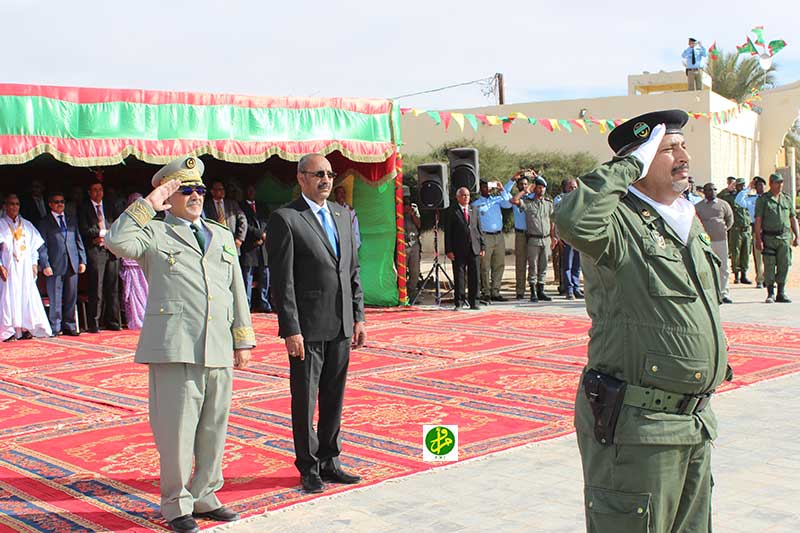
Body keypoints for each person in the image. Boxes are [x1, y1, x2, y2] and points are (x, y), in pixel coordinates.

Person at [555, 110, 728, 533]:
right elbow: (573, 220)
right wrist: (628, 165)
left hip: (693, 423)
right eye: (668, 149)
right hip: (641, 427)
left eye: (683, 145)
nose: (683, 156)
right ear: (640, 160)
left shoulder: (685, 219)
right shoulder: (617, 222)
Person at [105, 156, 254, 533]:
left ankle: (205, 495)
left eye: (199, 189)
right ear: (168, 196)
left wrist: (243, 339)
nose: (196, 195)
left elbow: (236, 289)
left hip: (217, 344)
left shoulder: (221, 234)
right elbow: (116, 241)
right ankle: (176, 504)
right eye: (185, 190)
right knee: (177, 433)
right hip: (176, 347)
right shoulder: (155, 232)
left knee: (214, 427)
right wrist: (148, 204)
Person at [267, 154, 366, 494]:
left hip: (341, 324)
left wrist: (358, 316)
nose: (326, 179)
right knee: (305, 400)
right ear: (301, 178)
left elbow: (352, 270)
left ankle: (330, 460)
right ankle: (308, 466)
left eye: (329, 174)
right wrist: (290, 328)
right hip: (307, 328)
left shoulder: (343, 215)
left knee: (334, 397)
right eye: (318, 174)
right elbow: (283, 281)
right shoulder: (286, 218)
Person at [0, 194, 52, 341]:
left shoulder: (27, 225)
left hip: (25, 268)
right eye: (11, 204)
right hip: (9, 267)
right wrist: (0, 266)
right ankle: (9, 331)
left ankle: (25, 327)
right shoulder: (1, 224)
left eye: (17, 204)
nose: (14, 207)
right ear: (5, 206)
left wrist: (34, 263)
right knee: (9, 297)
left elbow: (34, 248)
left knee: (26, 296)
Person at [36, 191, 87, 336]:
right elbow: (42, 245)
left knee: (71, 297)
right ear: (50, 204)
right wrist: (45, 264)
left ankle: (70, 326)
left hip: (72, 262)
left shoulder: (71, 219)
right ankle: (56, 327)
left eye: (62, 202)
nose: (60, 204)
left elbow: (78, 240)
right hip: (54, 264)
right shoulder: (45, 222)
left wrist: (82, 260)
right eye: (56, 202)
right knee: (56, 298)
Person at [78, 180, 121, 333]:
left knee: (113, 287)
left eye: (100, 189)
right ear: (89, 192)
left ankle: (113, 321)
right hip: (96, 251)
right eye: (95, 190)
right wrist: (103, 233)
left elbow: (118, 225)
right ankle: (94, 323)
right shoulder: (84, 208)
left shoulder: (109, 206)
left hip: (111, 250)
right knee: (96, 287)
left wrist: (107, 236)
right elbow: (85, 229)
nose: (98, 193)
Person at [511, 176, 557, 302]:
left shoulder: (548, 203)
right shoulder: (528, 203)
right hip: (533, 239)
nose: (541, 190)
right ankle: (533, 292)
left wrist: (553, 237)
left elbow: (552, 221)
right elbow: (514, 200)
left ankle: (541, 290)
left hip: (546, 239)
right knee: (533, 266)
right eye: (539, 188)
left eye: (543, 188)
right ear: (534, 189)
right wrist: (524, 191)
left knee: (543, 265)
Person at [755, 173, 799, 303]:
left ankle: (781, 292)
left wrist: (797, 235)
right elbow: (758, 220)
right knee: (769, 265)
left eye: (781, 182)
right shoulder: (764, 200)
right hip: (769, 237)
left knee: (784, 264)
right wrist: (758, 239)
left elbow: (793, 218)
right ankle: (770, 293)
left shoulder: (786, 199)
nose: (780, 185)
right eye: (777, 182)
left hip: (784, 237)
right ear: (771, 184)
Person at [445, 187, 485, 310]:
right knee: (460, 276)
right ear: (457, 197)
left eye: (467, 195)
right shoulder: (452, 211)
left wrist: (482, 246)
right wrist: (449, 250)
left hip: (474, 247)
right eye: (463, 195)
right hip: (458, 249)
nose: (466, 197)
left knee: (475, 276)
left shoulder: (474, 209)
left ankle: (474, 301)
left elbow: (479, 229)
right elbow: (448, 232)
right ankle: (459, 302)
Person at [473, 179, 511, 301]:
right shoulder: (476, 204)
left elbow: (508, 204)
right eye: (484, 187)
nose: (487, 189)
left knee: (499, 264)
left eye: (489, 186)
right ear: (480, 188)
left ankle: (495, 292)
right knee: (485, 266)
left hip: (499, 236)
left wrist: (502, 189)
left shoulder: (497, 199)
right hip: (485, 236)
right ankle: (486, 292)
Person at [695, 183, 734, 303]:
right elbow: (695, 223)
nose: (712, 192)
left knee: (723, 267)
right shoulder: (698, 206)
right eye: (709, 190)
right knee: (705, 267)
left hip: (721, 240)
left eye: (714, 189)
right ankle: (708, 293)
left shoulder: (723, 204)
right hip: (705, 242)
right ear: (704, 191)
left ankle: (723, 293)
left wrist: (723, 229)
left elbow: (730, 219)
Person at [118, 193, 149, 329]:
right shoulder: (124, 219)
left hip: (144, 261)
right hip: (130, 262)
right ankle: (136, 319)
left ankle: (147, 319)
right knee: (133, 293)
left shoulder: (148, 219)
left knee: (146, 291)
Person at [239, 184, 271, 312]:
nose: (251, 192)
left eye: (253, 190)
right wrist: (259, 234)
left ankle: (264, 303)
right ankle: (247, 305)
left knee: (265, 275)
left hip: (263, 246)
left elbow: (267, 222)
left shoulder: (262, 206)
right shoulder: (240, 206)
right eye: (249, 190)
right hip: (250, 246)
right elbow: (244, 224)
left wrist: (264, 236)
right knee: (248, 276)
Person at [505, 171, 534, 299]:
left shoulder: (533, 197)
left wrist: (536, 177)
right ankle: (520, 290)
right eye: (521, 184)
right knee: (520, 263)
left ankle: (534, 289)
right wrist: (512, 180)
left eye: (526, 184)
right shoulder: (515, 198)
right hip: (521, 234)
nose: (524, 186)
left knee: (534, 263)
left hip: (533, 234)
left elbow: (543, 186)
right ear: (518, 186)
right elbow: (505, 192)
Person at [737, 176, 767, 287]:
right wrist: (748, 188)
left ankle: (768, 278)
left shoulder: (769, 198)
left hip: (769, 229)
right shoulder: (751, 199)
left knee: (769, 256)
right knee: (758, 256)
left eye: (762, 184)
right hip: (757, 229)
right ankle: (760, 279)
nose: (760, 187)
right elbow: (738, 201)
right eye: (757, 185)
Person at [203, 181, 247, 253]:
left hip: (232, 243)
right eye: (219, 189)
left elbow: (243, 219)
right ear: (212, 191)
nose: (222, 191)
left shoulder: (232, 204)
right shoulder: (206, 206)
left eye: (223, 189)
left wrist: (240, 238)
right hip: (215, 244)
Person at [557, 178, 583, 300]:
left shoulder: (580, 200)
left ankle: (576, 288)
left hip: (578, 236)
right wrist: (558, 236)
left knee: (577, 265)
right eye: (570, 187)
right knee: (567, 265)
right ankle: (569, 290)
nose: (573, 189)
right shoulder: (560, 200)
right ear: (565, 188)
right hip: (567, 237)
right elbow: (556, 219)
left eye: (575, 187)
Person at [728, 177, 752, 284]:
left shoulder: (746, 198)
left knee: (746, 253)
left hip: (746, 229)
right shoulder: (731, 197)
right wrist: (728, 188)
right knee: (735, 252)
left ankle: (744, 275)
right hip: (736, 229)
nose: (742, 187)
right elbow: (719, 196)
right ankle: (736, 276)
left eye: (743, 185)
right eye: (739, 185)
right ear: (736, 186)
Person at [402, 186, 422, 302]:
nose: (406, 201)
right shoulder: (395, 208)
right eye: (404, 198)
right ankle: (402, 294)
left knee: (415, 271)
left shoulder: (414, 207)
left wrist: (413, 214)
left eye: (408, 198)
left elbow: (419, 224)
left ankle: (412, 293)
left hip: (414, 242)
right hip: (402, 243)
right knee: (402, 271)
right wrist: (402, 212)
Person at [333, 185, 362, 250]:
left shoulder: (350, 211)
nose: (342, 195)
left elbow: (355, 228)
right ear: (335, 195)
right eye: (339, 192)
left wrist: (356, 245)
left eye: (343, 192)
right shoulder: (331, 209)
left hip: (349, 246)